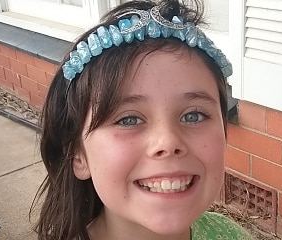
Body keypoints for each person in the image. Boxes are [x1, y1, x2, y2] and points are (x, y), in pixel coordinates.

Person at [31, 0, 253, 239]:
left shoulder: (231, 234)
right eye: (128, 120)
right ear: (78, 154)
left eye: (193, 115)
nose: (167, 142)